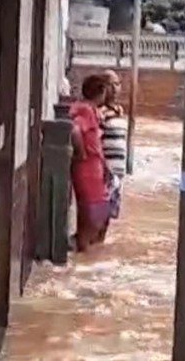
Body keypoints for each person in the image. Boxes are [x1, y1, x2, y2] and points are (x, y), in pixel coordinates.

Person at [69, 74, 111, 252]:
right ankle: (83, 250)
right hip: (87, 169)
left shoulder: (90, 110)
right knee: (92, 215)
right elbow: (75, 130)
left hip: (94, 167)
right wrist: (82, 153)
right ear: (101, 93)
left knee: (93, 213)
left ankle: (84, 251)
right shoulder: (85, 110)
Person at [100, 69, 128, 219]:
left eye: (117, 84)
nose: (116, 89)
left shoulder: (119, 111)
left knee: (110, 215)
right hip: (105, 173)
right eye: (111, 85)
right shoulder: (100, 113)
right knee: (99, 218)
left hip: (118, 173)